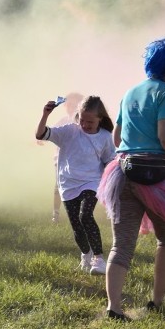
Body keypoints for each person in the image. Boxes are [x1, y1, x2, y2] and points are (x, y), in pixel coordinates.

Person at [97, 37, 165, 320]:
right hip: (159, 175)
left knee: (121, 244)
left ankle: (114, 308)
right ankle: (156, 302)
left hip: (123, 172)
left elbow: (116, 137)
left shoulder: (130, 92)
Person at [36, 96, 116, 274]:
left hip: (91, 182)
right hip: (68, 183)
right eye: (82, 120)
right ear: (78, 117)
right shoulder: (69, 131)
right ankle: (85, 255)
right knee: (76, 225)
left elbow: (109, 160)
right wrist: (45, 114)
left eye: (91, 122)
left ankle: (99, 259)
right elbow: (41, 134)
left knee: (85, 216)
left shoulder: (104, 137)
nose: (85, 125)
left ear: (100, 119)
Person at [49, 92, 84, 222]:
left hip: (77, 160)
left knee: (78, 184)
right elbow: (50, 132)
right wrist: (40, 139)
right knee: (58, 185)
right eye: (69, 104)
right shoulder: (63, 121)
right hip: (60, 159)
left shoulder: (82, 122)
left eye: (75, 104)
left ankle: (79, 212)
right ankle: (56, 214)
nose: (71, 107)